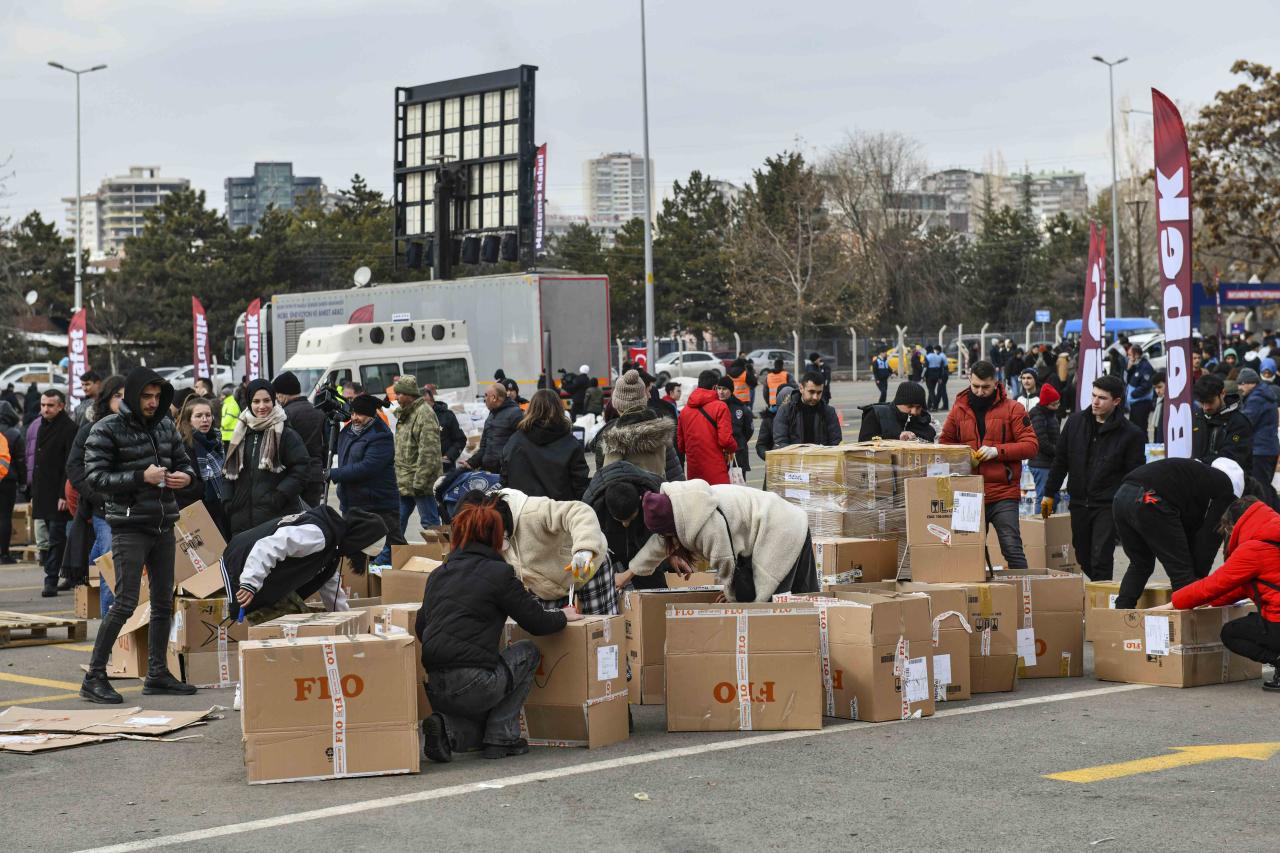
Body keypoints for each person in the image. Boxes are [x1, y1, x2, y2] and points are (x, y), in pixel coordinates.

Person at [416, 498, 580, 763]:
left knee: (472, 734)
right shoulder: (499, 573)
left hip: (435, 685)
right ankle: (502, 736)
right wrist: (563, 614)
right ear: (494, 537)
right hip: (474, 682)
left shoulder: (438, 574)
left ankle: (444, 728)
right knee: (527, 652)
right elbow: (536, 622)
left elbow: (421, 628)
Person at [80, 368, 197, 704]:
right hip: (129, 525)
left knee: (164, 602)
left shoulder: (163, 426)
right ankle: (94, 676)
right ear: (132, 395)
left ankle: (157, 673)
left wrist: (184, 479)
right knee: (126, 602)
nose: (153, 402)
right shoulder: (106, 429)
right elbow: (95, 479)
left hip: (163, 523)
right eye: (146, 396)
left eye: (157, 397)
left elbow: (186, 464)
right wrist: (139, 476)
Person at [1153, 497, 1280, 691]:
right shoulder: (1272, 537)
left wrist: (1175, 603)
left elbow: (1214, 584)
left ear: (1236, 524)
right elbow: (1244, 586)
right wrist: (1211, 602)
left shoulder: (1254, 549)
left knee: (1231, 633)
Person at [629, 480, 819, 601]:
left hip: (781, 530)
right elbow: (659, 543)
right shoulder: (682, 506)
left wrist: (731, 597)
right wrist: (629, 573)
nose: (666, 538)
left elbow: (728, 566)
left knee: (778, 605)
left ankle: (799, 654)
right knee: (803, 599)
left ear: (672, 527)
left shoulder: (708, 527)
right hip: (781, 521)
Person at [1040, 376, 1145, 581]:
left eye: (1102, 398)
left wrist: (1131, 507)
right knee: (1082, 554)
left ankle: (1101, 601)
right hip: (1079, 502)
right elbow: (1061, 461)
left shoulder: (1131, 434)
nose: (1095, 402)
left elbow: (1135, 476)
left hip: (1107, 505)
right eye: (1094, 395)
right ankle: (1100, 588)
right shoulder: (1075, 422)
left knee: (1101, 556)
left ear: (1116, 401)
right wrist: (1049, 493)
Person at [940, 361, 1039, 570]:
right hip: (968, 493)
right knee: (966, 551)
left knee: (1012, 547)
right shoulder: (958, 409)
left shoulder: (1014, 409)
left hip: (1003, 492)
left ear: (996, 383)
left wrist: (998, 451)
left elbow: (1031, 446)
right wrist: (962, 454)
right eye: (975, 386)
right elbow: (944, 444)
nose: (980, 392)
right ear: (969, 380)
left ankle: (1025, 595)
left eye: (985, 387)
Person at [1112, 456, 1246, 608]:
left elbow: (1185, 531)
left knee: (1140, 563)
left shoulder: (1192, 474)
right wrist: (1197, 582)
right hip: (1150, 500)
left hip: (1121, 497)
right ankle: (1185, 629)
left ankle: (1121, 616)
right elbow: (1209, 539)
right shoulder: (1225, 487)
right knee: (1182, 574)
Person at [462, 486, 613, 615]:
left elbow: (579, 512)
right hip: (546, 589)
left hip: (588, 568)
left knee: (599, 632)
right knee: (555, 637)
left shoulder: (533, 511)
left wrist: (585, 548)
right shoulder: (482, 531)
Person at [223, 505, 388, 619]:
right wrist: (250, 582)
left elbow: (330, 585)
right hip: (239, 562)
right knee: (291, 624)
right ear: (357, 542)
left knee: (298, 618)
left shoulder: (332, 547)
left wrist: (345, 620)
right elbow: (268, 546)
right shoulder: (320, 534)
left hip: (254, 565)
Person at [223, 378, 310, 537]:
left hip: (275, 517)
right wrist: (228, 501)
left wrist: (279, 496)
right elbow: (228, 470)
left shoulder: (286, 433)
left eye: (266, 400)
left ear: (274, 400)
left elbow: (302, 468)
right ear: (249, 402)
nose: (261, 406)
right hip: (241, 519)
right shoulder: (241, 431)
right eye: (256, 401)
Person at [329, 394, 402, 567]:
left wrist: (335, 474)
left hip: (378, 504)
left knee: (392, 548)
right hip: (351, 502)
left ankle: (402, 582)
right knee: (358, 553)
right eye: (353, 413)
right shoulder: (347, 432)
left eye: (360, 414)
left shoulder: (381, 435)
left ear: (371, 415)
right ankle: (366, 586)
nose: (355, 418)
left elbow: (368, 467)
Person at [582, 462, 669, 591]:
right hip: (609, 541)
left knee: (654, 589)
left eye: (630, 518)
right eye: (620, 520)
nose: (625, 524)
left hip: (643, 539)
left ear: (640, 500)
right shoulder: (592, 506)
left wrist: (672, 553)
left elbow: (664, 537)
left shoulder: (656, 493)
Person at [592, 370, 683, 481]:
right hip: (657, 495)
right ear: (644, 400)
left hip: (624, 497)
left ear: (616, 405)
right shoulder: (662, 433)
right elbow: (676, 476)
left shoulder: (612, 439)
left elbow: (604, 483)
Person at [501, 389, 589, 501]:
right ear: (559, 409)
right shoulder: (571, 444)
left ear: (531, 409)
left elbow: (504, 479)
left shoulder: (514, 441)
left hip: (523, 511)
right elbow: (580, 485)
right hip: (560, 512)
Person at [31, 389, 77, 595]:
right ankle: (68, 575)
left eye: (50, 405)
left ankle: (51, 579)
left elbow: (70, 464)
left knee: (57, 538)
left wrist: (63, 494)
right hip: (43, 492)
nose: (45, 409)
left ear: (61, 406)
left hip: (59, 493)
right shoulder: (42, 426)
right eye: (43, 405)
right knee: (54, 536)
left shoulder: (69, 428)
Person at [392, 376, 443, 533]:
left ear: (409, 395)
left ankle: (442, 555)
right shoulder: (406, 414)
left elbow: (429, 453)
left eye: (400, 394)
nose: (397, 397)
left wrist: (420, 482)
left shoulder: (424, 414)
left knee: (430, 525)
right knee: (396, 523)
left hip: (421, 483)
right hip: (405, 481)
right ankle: (387, 557)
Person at [175, 394, 230, 539]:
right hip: (195, 513)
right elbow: (183, 486)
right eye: (198, 416)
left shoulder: (216, 441)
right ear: (189, 420)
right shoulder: (183, 447)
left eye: (208, 415)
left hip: (219, 509)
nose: (205, 419)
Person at [271, 371, 325, 508]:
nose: (277, 398)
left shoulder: (285, 414)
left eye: (277, 394)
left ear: (282, 394)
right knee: (313, 519)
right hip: (315, 475)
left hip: (295, 476)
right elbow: (326, 445)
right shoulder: (318, 411)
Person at [677, 370, 737, 485]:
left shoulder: (684, 411)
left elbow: (681, 445)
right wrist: (734, 447)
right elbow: (725, 440)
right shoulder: (720, 407)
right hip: (716, 471)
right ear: (714, 387)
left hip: (694, 472)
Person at [1192, 373, 1252, 470]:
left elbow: (1231, 458)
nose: (1206, 407)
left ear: (1222, 394)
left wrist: (1200, 463)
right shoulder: (1197, 417)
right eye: (1202, 402)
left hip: (1229, 480)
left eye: (1210, 402)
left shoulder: (1239, 422)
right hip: (1198, 478)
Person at [1237, 367, 1279, 506]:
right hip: (1268, 448)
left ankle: (1269, 520)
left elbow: (1245, 422)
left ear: (1251, 383)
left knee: (1261, 488)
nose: (1240, 387)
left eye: (1242, 383)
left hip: (1259, 450)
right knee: (1266, 486)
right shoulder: (1264, 395)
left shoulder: (1256, 399)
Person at [463, 383, 522, 473]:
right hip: (489, 473)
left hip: (507, 474)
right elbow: (484, 448)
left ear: (494, 398)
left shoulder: (515, 414)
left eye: (486, 396)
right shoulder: (491, 416)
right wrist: (471, 463)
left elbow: (522, 446)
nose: (484, 399)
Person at [773, 372, 842, 448]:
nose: (815, 397)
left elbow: (835, 442)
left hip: (822, 458)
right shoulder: (785, 411)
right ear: (801, 388)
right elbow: (781, 442)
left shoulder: (829, 412)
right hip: (794, 458)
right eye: (811, 392)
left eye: (819, 392)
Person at [857, 381, 935, 442]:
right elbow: (864, 443)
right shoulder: (877, 414)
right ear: (898, 403)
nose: (914, 411)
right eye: (910, 406)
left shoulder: (924, 420)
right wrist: (896, 437)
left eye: (918, 407)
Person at [1026, 383, 1062, 506]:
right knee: (1044, 497)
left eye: (1058, 403)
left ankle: (1049, 522)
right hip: (1040, 463)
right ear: (1046, 404)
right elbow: (1042, 442)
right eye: (1054, 404)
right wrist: (1059, 452)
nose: (1057, 406)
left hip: (1048, 462)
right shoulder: (1038, 416)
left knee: (1053, 496)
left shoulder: (1050, 415)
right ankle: (1042, 523)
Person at [0, 401, 23, 565]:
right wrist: (23, 482)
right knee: (5, 517)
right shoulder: (14, 433)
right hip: (8, 480)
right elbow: (21, 460)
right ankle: (4, 554)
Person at [716, 375, 754, 474]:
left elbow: (748, 430)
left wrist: (739, 442)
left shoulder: (740, 407)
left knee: (739, 486)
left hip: (738, 453)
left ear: (731, 390)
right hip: (719, 455)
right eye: (719, 388)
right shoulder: (713, 406)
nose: (721, 392)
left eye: (724, 389)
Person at [425, 385, 467, 474]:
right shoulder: (415, 418)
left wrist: (448, 456)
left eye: (424, 401)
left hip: (445, 469)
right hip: (423, 471)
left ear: (431, 400)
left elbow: (460, 440)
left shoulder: (447, 415)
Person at [1125, 345, 1157, 432]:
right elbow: (1129, 380)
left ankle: (1143, 445)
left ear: (1137, 355)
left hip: (1141, 403)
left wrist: (1132, 394)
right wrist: (1129, 369)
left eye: (1130, 355)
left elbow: (1146, 385)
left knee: (1140, 429)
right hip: (1134, 403)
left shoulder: (1145, 366)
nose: (1128, 357)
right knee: (1133, 428)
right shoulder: (1136, 366)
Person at [924, 346, 946, 411]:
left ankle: (935, 406)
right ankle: (928, 406)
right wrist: (940, 377)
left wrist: (923, 376)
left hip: (929, 375)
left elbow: (925, 368)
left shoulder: (928, 357)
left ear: (927, 350)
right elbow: (941, 368)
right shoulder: (938, 357)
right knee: (932, 390)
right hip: (937, 376)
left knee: (931, 391)